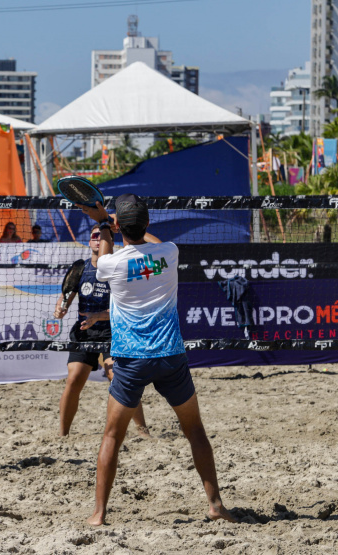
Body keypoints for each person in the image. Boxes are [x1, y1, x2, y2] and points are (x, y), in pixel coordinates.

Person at [79, 194, 235, 526]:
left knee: (112, 437)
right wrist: (116, 222)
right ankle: (216, 505)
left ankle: (99, 514)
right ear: (148, 223)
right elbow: (152, 242)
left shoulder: (111, 264)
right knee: (194, 430)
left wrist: (104, 222)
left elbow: (104, 255)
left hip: (131, 360)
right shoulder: (169, 253)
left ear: (120, 226)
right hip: (170, 356)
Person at [54, 224, 150, 438]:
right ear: (89, 242)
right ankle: (62, 435)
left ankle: (143, 430)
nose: (98, 239)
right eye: (94, 236)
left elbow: (125, 307)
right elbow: (65, 297)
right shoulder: (81, 268)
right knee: (74, 379)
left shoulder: (119, 268)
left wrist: (99, 316)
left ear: (110, 241)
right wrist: (60, 308)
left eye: (102, 236)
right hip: (84, 331)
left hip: (113, 331)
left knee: (119, 379)